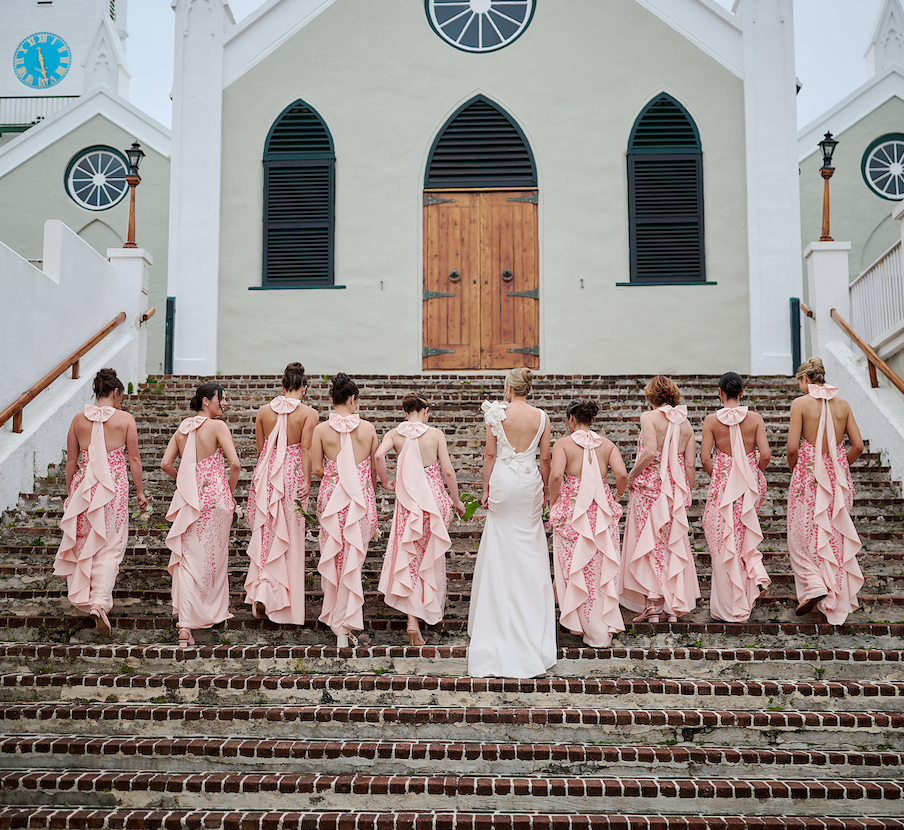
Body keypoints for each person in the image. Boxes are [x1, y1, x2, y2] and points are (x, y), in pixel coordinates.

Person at [467, 367, 556, 678]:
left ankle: (496, 622)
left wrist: (486, 488)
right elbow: (545, 460)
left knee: (499, 546)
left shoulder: (496, 414)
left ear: (509, 389)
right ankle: (532, 629)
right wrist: (545, 490)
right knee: (530, 547)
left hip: (504, 480)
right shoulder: (542, 417)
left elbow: (490, 456)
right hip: (530, 482)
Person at [53, 368, 146, 637]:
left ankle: (85, 595)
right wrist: (140, 492)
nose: (120, 402)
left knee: (85, 545)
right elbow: (135, 459)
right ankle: (99, 602)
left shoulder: (77, 420)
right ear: (115, 392)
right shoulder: (125, 419)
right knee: (110, 545)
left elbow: (71, 461)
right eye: (120, 397)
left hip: (83, 490)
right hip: (112, 490)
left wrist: (71, 493)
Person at [375, 392, 465, 646]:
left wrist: (385, 481)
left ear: (405, 412)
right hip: (435, 501)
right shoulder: (435, 434)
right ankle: (422, 612)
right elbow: (447, 470)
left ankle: (412, 621)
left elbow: (379, 456)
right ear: (425, 412)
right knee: (430, 559)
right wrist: (456, 502)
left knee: (410, 559)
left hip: (409, 504)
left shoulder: (394, 434)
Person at [161, 382, 240, 648]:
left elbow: (165, 464)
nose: (225, 403)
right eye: (222, 399)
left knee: (187, 560)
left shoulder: (183, 429)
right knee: (211, 559)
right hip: (215, 498)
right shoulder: (218, 427)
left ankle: (184, 626)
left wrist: (184, 481)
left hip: (189, 499)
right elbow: (235, 464)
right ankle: (206, 612)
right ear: (207, 401)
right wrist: (228, 491)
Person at [787, 357, 864, 624]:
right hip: (836, 480)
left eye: (799, 382)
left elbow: (792, 448)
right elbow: (857, 446)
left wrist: (797, 468)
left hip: (807, 477)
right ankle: (832, 593)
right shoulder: (842, 404)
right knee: (832, 536)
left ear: (805, 379)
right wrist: (838, 465)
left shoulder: (800, 403)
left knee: (800, 534)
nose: (799, 388)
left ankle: (814, 585)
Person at [549, 398, 628, 648]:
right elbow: (622, 475)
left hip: (573, 513)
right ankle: (602, 626)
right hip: (602, 514)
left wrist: (554, 503)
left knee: (577, 568)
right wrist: (617, 496)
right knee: (601, 569)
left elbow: (555, 475)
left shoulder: (562, 443)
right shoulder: (607, 445)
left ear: (571, 419)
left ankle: (584, 625)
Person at [244, 362, 319, 625]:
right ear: (304, 388)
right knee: (291, 539)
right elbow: (307, 449)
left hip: (267, 477)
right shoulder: (309, 413)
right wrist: (307, 480)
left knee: (267, 534)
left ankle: (264, 589)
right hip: (294, 475)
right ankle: (285, 606)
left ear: (282, 386)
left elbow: (261, 450)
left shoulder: (264, 412)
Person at [620, 375, 699, 623]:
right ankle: (671, 608)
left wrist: (631, 476)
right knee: (669, 545)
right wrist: (686, 493)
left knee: (648, 544)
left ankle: (653, 604)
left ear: (651, 396)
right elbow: (690, 465)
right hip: (674, 492)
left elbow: (650, 451)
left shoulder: (649, 418)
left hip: (650, 490)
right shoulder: (685, 424)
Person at [311, 373, 378, 649]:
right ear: (353, 399)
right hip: (359, 500)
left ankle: (339, 626)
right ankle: (345, 624)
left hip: (332, 501)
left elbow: (316, 469)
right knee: (352, 562)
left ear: (332, 399)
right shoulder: (369, 429)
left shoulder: (320, 430)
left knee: (335, 559)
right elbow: (373, 472)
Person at [700, 372, 771, 622]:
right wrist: (751, 473)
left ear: (720, 392)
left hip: (723, 488)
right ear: (741, 393)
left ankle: (728, 606)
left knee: (722, 543)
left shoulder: (710, 420)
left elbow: (705, 459)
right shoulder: (755, 419)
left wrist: (721, 475)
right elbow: (766, 455)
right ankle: (744, 601)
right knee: (743, 540)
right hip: (750, 487)